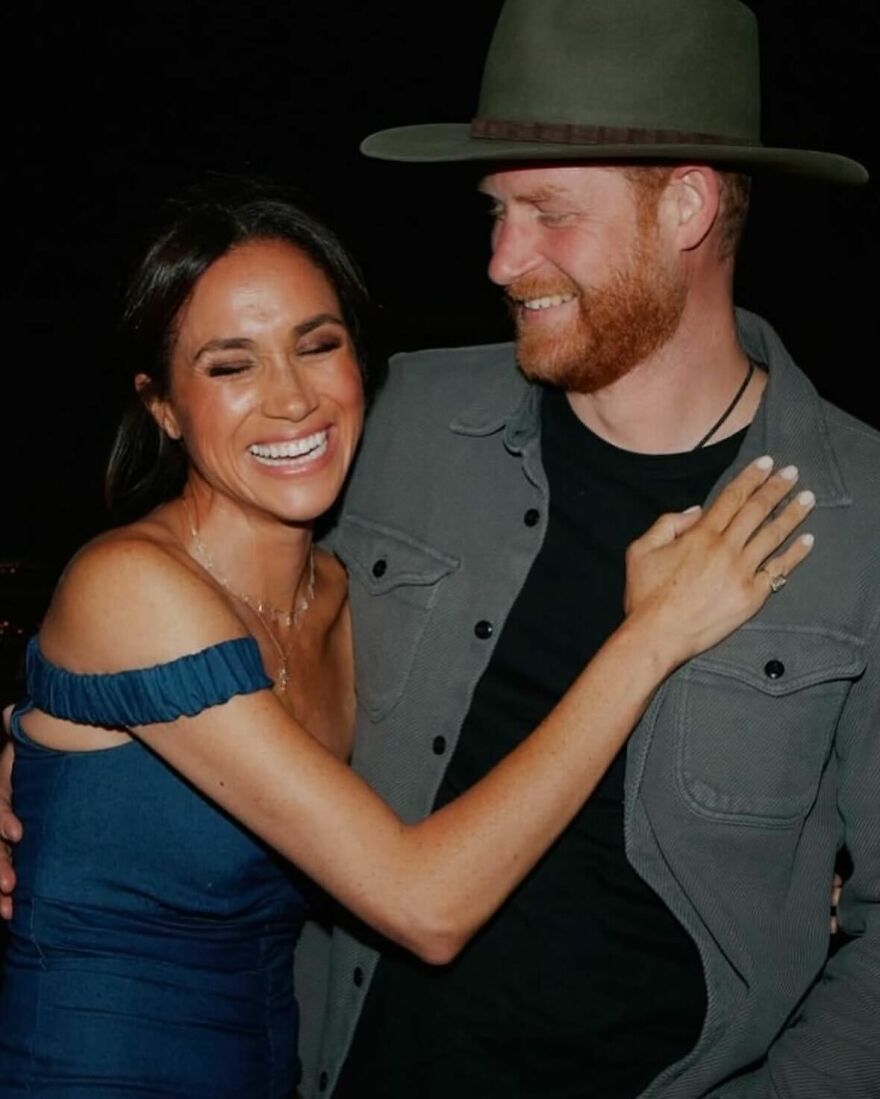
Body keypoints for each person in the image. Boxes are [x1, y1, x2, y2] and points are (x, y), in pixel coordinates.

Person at [0, 188, 811, 1099]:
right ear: (164, 407)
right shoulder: (130, 588)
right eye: (231, 367)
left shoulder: (346, 599)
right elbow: (424, 905)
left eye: (319, 344)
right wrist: (652, 634)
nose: (293, 398)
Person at [289, 2, 879, 1098]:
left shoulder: (865, 523)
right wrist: (85, 742)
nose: (503, 260)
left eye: (547, 212)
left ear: (688, 206)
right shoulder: (402, 416)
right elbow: (224, 589)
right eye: (497, 212)